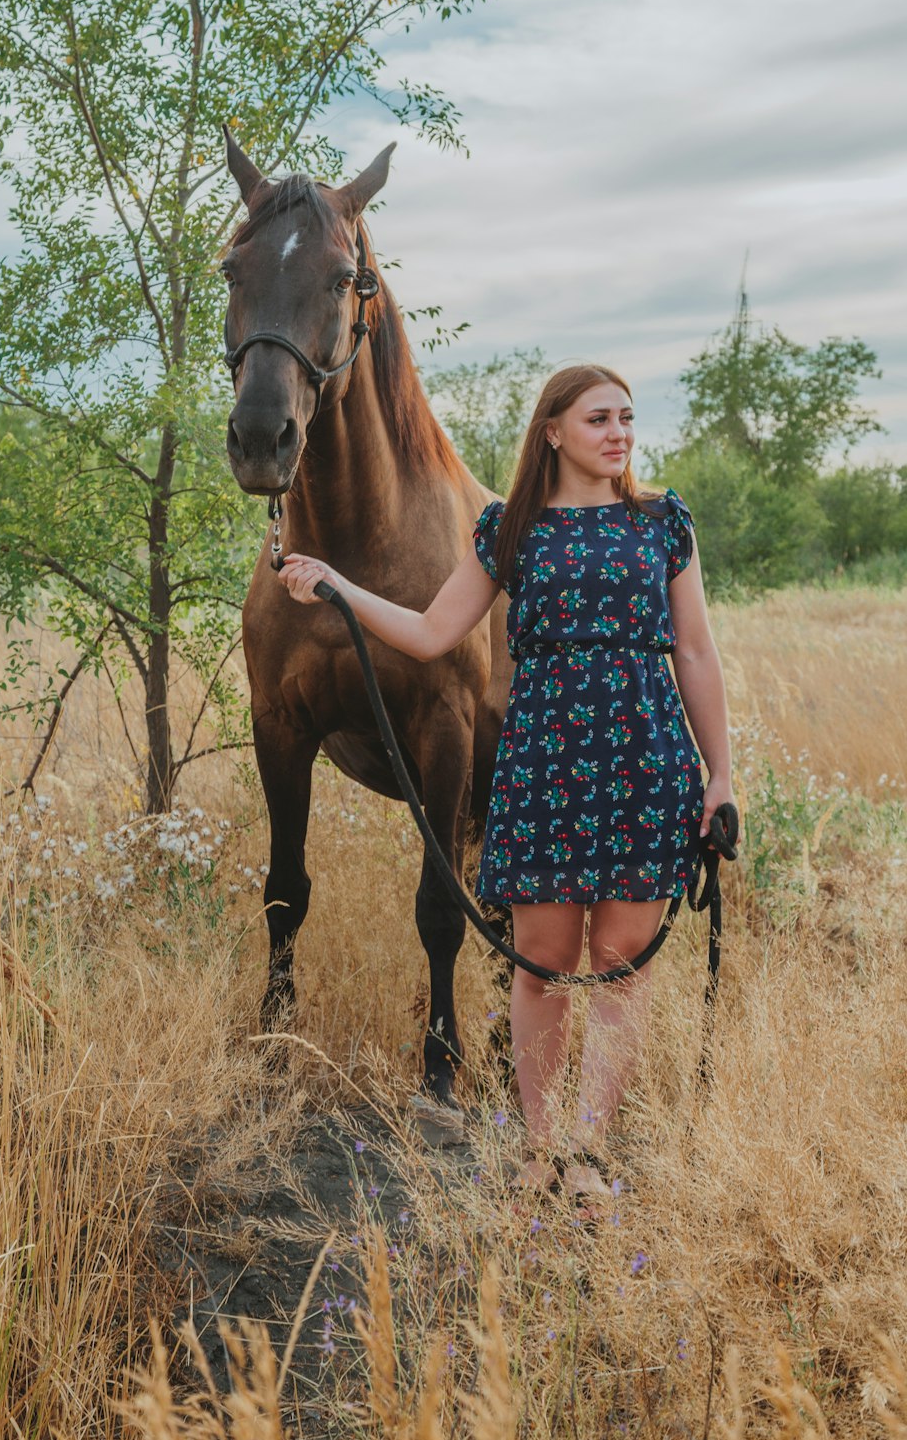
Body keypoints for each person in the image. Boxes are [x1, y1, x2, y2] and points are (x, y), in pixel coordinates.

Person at [278, 363, 734, 1208]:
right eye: (600, 418)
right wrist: (338, 586)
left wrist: (721, 777)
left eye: (628, 418)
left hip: (645, 762)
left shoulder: (662, 524)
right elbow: (429, 632)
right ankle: (536, 1148)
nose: (620, 433)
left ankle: (588, 1151)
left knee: (620, 965)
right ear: (553, 431)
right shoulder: (509, 530)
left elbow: (697, 654)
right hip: (544, 765)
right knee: (542, 964)